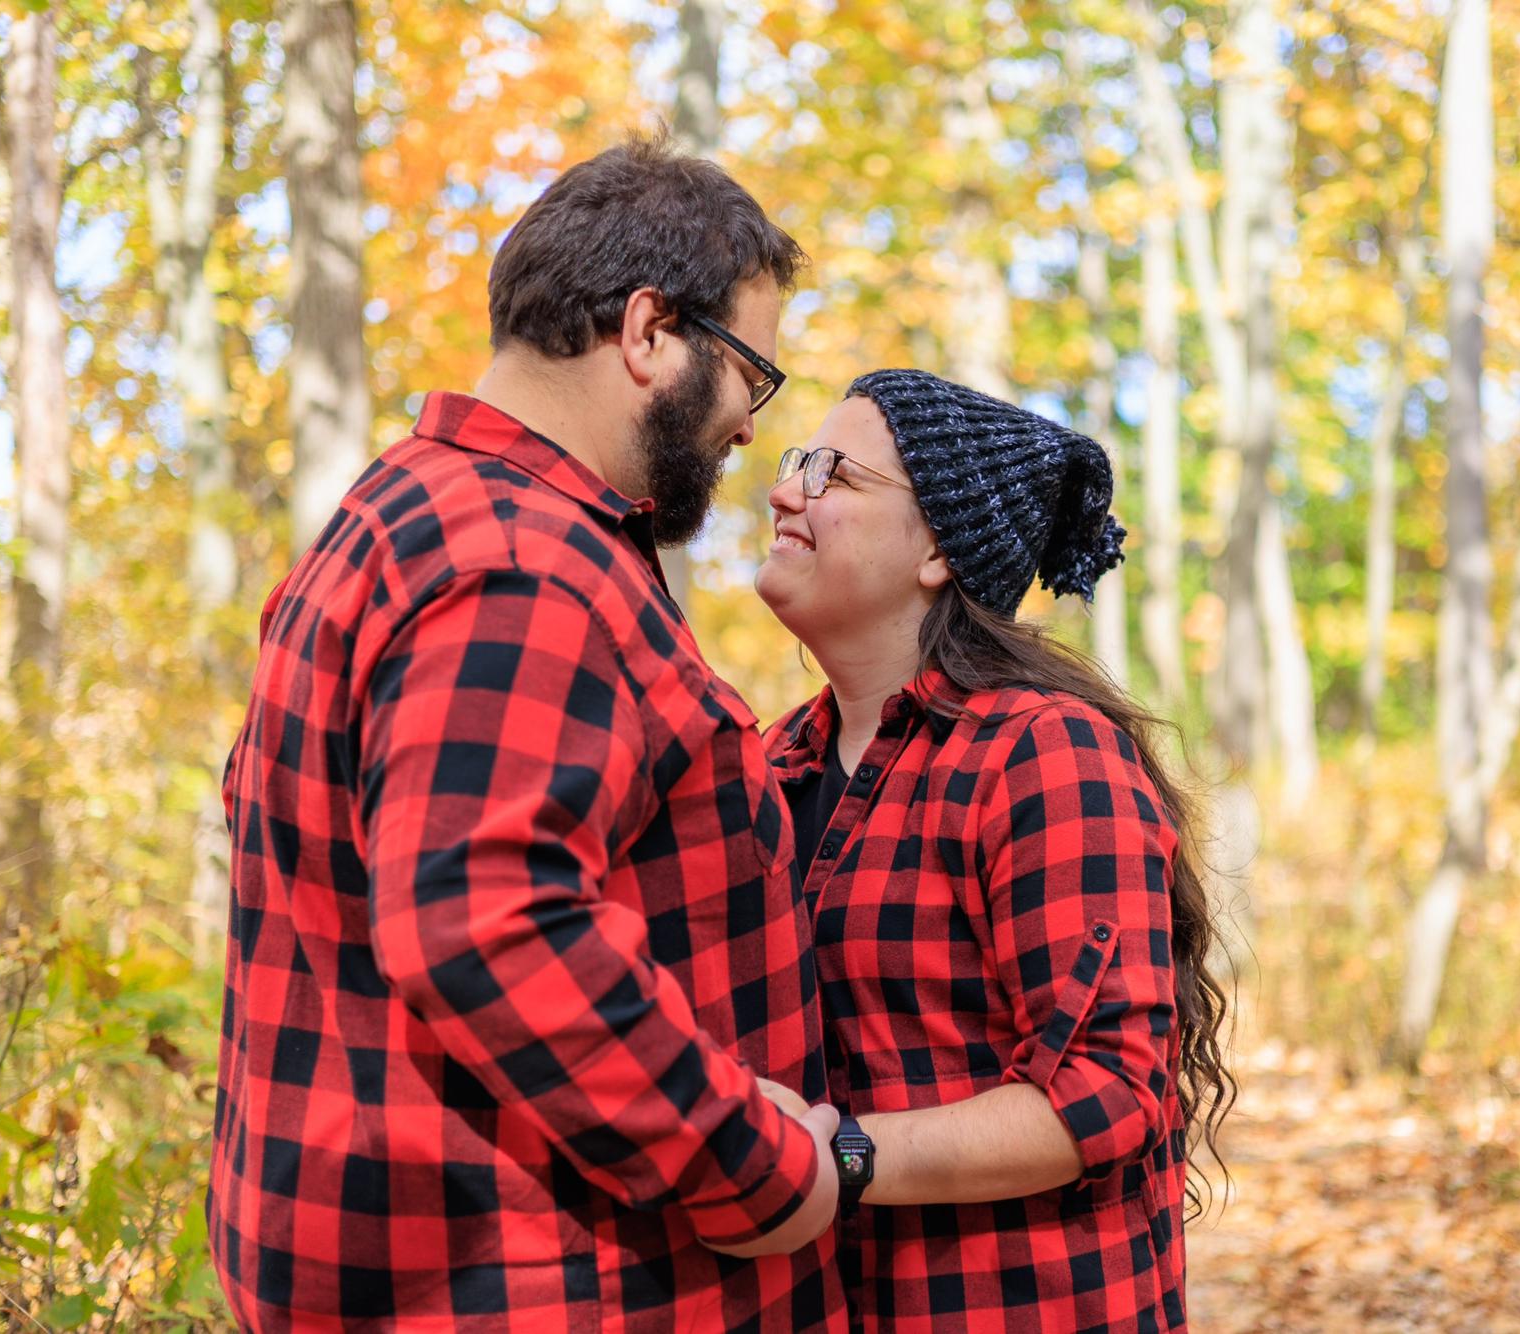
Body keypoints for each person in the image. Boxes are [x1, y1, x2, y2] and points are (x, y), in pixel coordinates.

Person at [209, 136, 847, 1331]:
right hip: (529, 1283)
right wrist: (756, 1167)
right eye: (750, 374)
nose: (747, 430)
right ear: (649, 332)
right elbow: (484, 918)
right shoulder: (520, 564)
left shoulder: (401, 513)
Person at [753, 370, 1232, 1331]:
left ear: (938, 548)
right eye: (797, 460)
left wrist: (834, 1159)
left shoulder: (1042, 754)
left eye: (834, 472)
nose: (784, 490)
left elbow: (1104, 1091)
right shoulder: (773, 762)